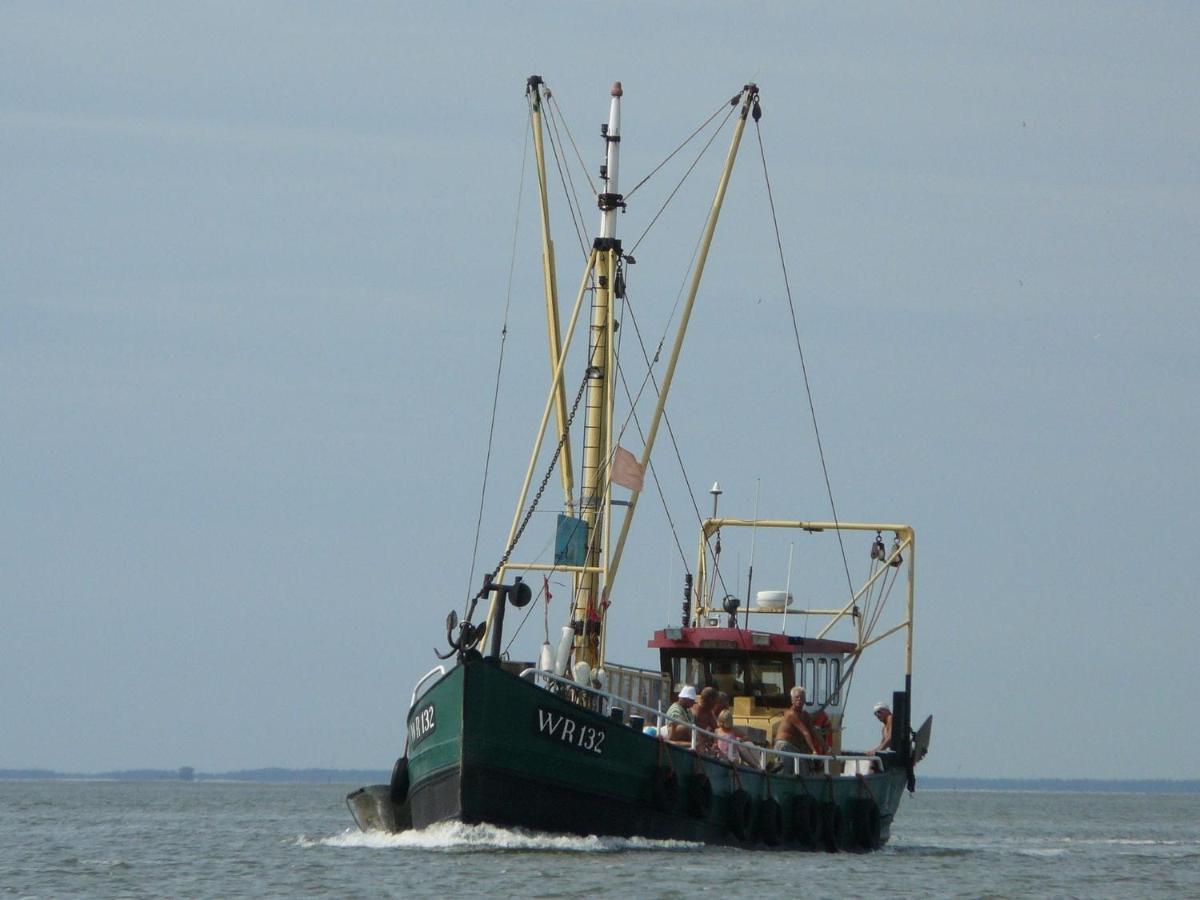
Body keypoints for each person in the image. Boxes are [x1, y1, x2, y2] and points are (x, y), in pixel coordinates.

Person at [774, 686, 827, 762]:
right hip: (784, 746)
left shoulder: (805, 715)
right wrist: (814, 751)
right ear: (792, 700)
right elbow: (805, 732)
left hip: (795, 748)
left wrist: (826, 748)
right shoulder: (791, 714)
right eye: (797, 697)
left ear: (804, 700)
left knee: (803, 768)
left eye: (801, 697)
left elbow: (813, 732)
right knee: (787, 769)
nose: (799, 699)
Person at [692, 687, 719, 752]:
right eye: (714, 702)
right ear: (710, 700)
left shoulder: (709, 713)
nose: (715, 705)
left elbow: (717, 728)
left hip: (705, 743)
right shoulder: (693, 710)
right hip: (694, 742)